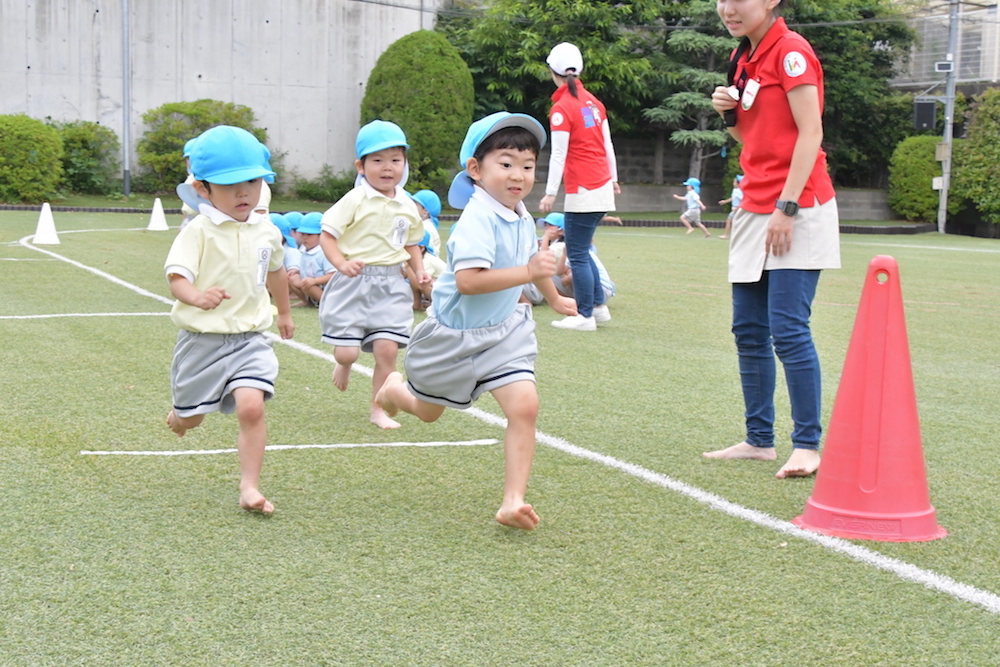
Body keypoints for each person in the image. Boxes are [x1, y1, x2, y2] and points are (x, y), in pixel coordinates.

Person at [377, 112, 577, 530]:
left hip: (506, 329)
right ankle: (395, 391)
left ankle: (512, 501)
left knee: (525, 406)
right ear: (475, 169)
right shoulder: (477, 219)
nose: (518, 175)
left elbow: (530, 267)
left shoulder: (521, 214)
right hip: (452, 337)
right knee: (429, 414)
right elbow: (469, 282)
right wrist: (531, 273)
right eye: (505, 163)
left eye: (527, 166)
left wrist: (555, 299)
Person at [704, 0, 840, 479]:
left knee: (787, 328)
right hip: (753, 204)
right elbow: (755, 139)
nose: (728, 8)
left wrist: (788, 207)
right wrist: (728, 115)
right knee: (748, 329)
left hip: (796, 206)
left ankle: (807, 444)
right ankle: (759, 440)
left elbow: (811, 133)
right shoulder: (745, 57)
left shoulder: (791, 52)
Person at [163, 125, 295, 514]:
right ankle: (181, 414)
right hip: (202, 341)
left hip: (250, 339)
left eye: (252, 181)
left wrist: (284, 311)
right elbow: (177, 278)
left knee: (252, 406)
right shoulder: (197, 231)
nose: (244, 193)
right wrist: (197, 297)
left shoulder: (267, 230)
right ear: (203, 189)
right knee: (192, 419)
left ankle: (249, 488)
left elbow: (277, 273)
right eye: (231, 184)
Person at [318, 120, 429, 429]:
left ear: (405, 163)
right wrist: (341, 263)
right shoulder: (354, 199)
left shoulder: (408, 204)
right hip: (353, 282)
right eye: (377, 160)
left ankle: (377, 409)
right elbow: (327, 235)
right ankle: (344, 364)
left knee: (387, 350)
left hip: (391, 283)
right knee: (346, 351)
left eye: (395, 160)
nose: (387, 167)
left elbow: (412, 242)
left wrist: (419, 271)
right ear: (361, 166)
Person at [539, 42, 620, 332]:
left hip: (583, 188)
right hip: (601, 185)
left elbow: (558, 154)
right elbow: (607, 144)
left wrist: (550, 192)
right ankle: (597, 307)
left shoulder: (561, 108)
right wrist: (614, 178)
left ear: (553, 72)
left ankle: (584, 315)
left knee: (577, 252)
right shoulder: (594, 103)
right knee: (582, 249)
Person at [295, 212, 336, 306]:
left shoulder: (324, 252)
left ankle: (327, 305)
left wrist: (315, 281)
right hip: (309, 285)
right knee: (292, 279)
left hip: (324, 289)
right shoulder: (304, 251)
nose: (305, 238)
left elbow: (333, 274)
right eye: (302, 234)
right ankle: (307, 302)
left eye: (309, 235)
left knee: (308, 286)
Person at [410, 189, 442, 257]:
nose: (411, 207)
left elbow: (424, 254)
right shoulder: (424, 225)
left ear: (426, 211)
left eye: (415, 204)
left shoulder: (426, 228)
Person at [718, 174, 744, 239]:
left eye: (734, 182)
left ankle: (726, 235)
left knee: (729, 220)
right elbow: (733, 198)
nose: (733, 183)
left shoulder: (740, 192)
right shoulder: (735, 190)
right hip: (735, 208)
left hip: (737, 208)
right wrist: (725, 201)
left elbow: (743, 201)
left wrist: (737, 208)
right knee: (735, 222)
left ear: (739, 184)